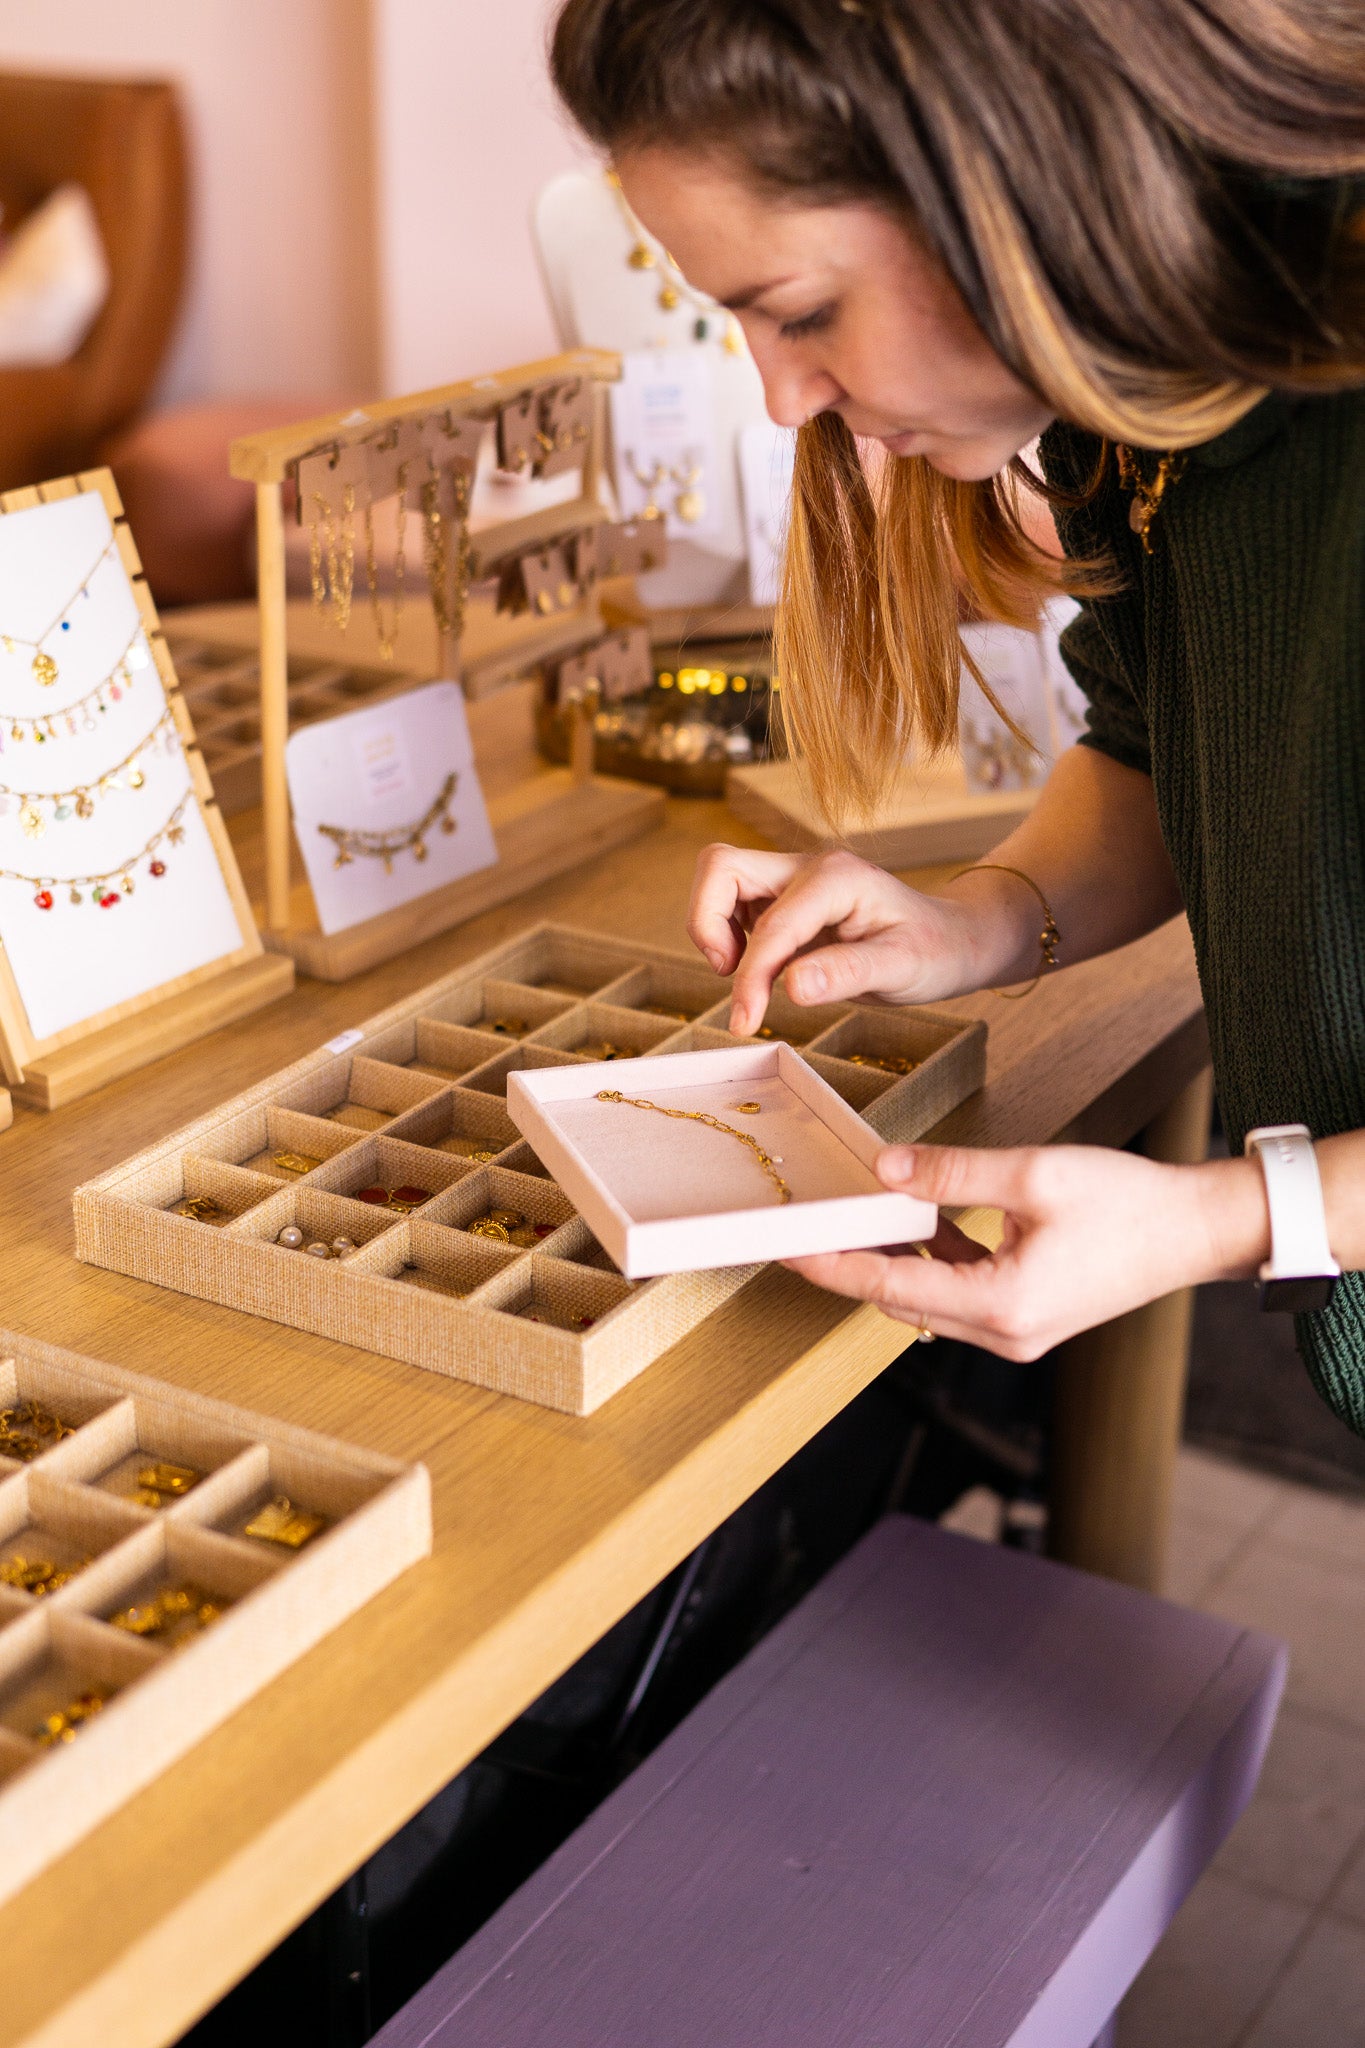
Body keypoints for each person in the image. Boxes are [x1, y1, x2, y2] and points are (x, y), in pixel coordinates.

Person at [550, 0, 1365, 1431]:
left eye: (803, 312)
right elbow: (1159, 742)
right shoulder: (1131, 381)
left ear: (1009, 179)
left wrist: (1230, 1217)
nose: (780, 397)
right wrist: (972, 921)